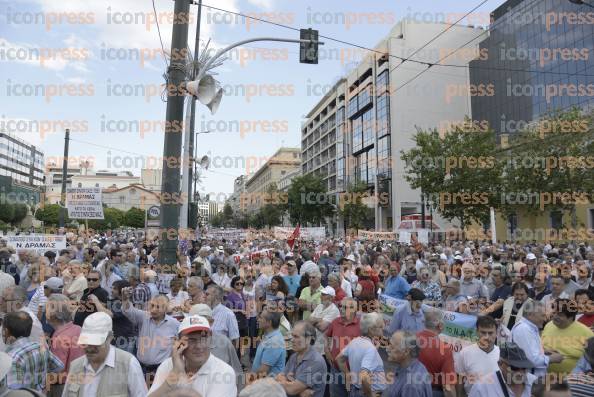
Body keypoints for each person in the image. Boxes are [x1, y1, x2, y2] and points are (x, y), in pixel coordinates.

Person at [62, 311, 147, 396]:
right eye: (86, 342)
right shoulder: (75, 366)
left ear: (110, 338)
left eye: (96, 343)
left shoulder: (128, 364)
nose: (90, 348)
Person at [121, 288, 180, 379]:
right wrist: (125, 299)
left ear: (166, 308)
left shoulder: (174, 324)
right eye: (152, 306)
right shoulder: (144, 317)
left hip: (162, 370)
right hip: (142, 368)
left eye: (158, 307)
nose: (154, 310)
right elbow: (129, 311)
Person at [3, 311, 64, 391]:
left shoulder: (12, 358)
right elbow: (59, 367)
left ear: (6, 331)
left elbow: (14, 390)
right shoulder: (40, 347)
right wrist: (41, 383)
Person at [189, 304, 243, 390]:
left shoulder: (224, 342)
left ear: (211, 322)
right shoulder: (183, 343)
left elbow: (237, 372)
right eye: (195, 321)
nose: (199, 324)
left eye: (203, 320)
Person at [336, 312, 386, 397]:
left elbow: (339, 358)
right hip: (369, 392)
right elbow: (363, 376)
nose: (383, 329)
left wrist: (348, 375)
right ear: (371, 329)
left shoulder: (355, 341)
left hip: (355, 390)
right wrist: (369, 395)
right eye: (380, 327)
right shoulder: (370, 349)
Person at [45, 294, 85, 397]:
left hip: (62, 388)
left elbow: (57, 373)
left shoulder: (60, 339)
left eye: (47, 308)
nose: (45, 311)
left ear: (55, 314)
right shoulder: (78, 329)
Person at [542, 298, 594, 375]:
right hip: (544, 377)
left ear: (571, 317)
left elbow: (590, 362)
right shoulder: (549, 325)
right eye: (554, 313)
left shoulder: (587, 333)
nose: (555, 316)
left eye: (560, 315)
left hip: (572, 383)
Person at [276, 321, 327, 397]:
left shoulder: (316, 362)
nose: (292, 340)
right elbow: (280, 377)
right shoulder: (294, 356)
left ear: (308, 339)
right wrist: (299, 391)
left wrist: (288, 384)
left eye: (296, 336)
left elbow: (292, 389)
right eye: (292, 336)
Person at [468, 342, 538, 397]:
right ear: (500, 364)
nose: (520, 373)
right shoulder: (482, 387)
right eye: (514, 368)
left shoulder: (534, 382)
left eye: (524, 368)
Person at [455, 315, 500, 395]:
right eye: (483, 332)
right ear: (476, 332)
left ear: (496, 333)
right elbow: (460, 380)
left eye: (490, 333)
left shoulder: (502, 355)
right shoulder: (465, 353)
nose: (487, 337)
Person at [416, 309, 456, 397]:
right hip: (432, 392)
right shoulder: (445, 349)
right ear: (440, 325)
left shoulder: (411, 339)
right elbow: (448, 387)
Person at [325, 297, 360, 397]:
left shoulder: (361, 325)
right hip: (336, 370)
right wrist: (326, 350)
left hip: (353, 373)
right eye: (340, 306)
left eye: (345, 307)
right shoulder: (335, 321)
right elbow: (327, 336)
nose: (341, 309)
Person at [385, 330, 432, 397]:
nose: (387, 349)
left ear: (406, 351)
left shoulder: (410, 386)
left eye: (392, 347)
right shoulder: (417, 366)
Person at [251, 308, 286, 377]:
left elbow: (263, 371)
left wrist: (250, 380)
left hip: (267, 385)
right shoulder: (269, 336)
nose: (258, 320)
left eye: (261, 318)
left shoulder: (274, 342)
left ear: (269, 322)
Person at [309, 286, 340, 354]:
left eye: (324, 295)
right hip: (315, 345)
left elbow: (322, 327)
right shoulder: (320, 306)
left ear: (331, 298)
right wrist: (320, 319)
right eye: (321, 294)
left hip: (325, 348)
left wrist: (314, 321)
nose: (321, 296)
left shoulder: (334, 310)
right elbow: (309, 320)